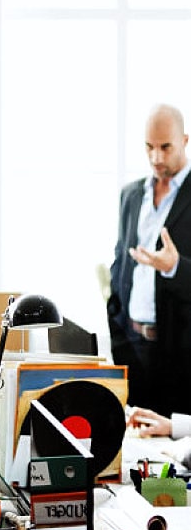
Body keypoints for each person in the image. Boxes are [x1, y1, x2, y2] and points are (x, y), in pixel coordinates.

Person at [108, 103, 191, 415]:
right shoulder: (131, 195)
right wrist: (118, 332)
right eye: (149, 147)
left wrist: (175, 267)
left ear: (184, 141)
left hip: (179, 356)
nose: (156, 158)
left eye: (165, 147)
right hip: (132, 347)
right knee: (135, 449)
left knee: (174, 456)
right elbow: (120, 264)